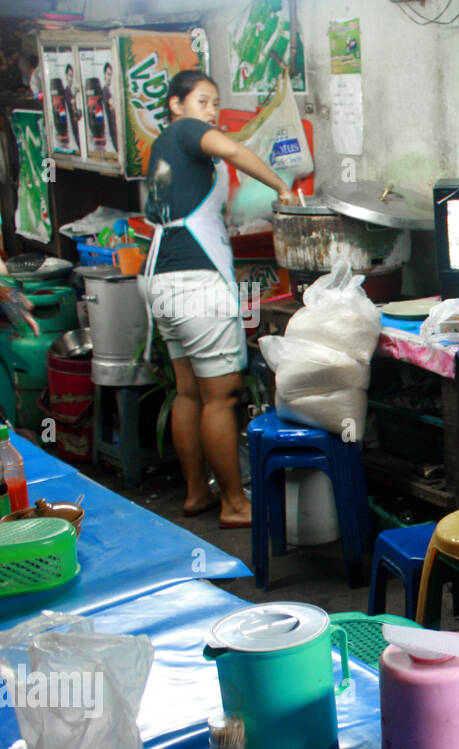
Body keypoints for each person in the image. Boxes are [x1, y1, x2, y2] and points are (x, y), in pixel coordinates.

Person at [143, 70, 296, 527]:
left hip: (162, 279)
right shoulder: (188, 132)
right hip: (197, 283)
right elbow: (233, 149)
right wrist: (281, 187)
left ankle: (196, 494)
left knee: (188, 392)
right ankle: (233, 503)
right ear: (176, 104)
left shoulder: (162, 147)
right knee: (223, 397)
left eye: (215, 104)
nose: (211, 112)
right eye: (203, 101)